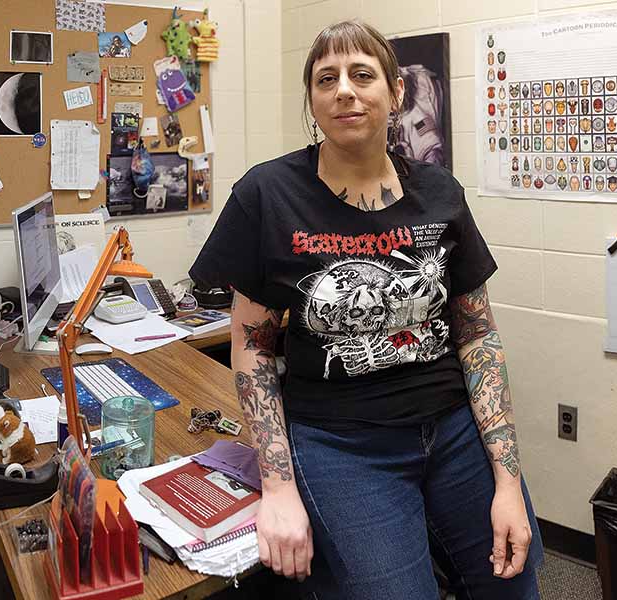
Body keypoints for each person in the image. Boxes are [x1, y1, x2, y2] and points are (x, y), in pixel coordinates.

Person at [189, 19, 544, 599]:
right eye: (325, 78)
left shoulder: (439, 193)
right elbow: (253, 351)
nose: (344, 91)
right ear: (311, 99)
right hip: (340, 445)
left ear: (395, 91)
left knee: (513, 581)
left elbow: (477, 336)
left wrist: (508, 479)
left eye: (361, 74)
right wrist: (278, 489)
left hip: (455, 432)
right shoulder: (267, 195)